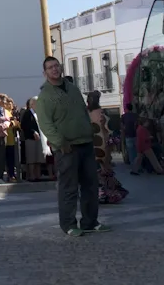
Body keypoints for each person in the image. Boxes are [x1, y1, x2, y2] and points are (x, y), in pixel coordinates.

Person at [36, 56, 110, 237]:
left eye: (56, 65)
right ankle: (68, 224)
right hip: (66, 147)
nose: (54, 69)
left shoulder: (73, 88)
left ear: (60, 68)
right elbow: (46, 124)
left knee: (91, 185)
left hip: (85, 142)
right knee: (68, 188)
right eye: (50, 67)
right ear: (45, 73)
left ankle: (90, 221)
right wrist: (60, 143)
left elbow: (83, 114)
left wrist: (91, 131)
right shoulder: (45, 96)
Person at [87, 90, 128, 204]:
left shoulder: (86, 113)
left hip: (93, 143)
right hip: (101, 143)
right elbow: (106, 127)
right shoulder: (100, 113)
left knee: (97, 169)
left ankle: (100, 193)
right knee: (104, 168)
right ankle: (106, 193)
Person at [21, 97, 45, 181]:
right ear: (32, 104)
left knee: (39, 158)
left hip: (40, 138)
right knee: (31, 158)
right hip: (30, 138)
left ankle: (38, 175)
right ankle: (31, 176)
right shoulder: (27, 113)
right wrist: (33, 132)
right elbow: (24, 125)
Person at [3, 96, 20, 183]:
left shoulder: (14, 113)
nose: (9, 106)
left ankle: (12, 175)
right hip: (6, 138)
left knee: (12, 159)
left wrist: (14, 122)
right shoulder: (4, 112)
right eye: (7, 104)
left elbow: (18, 123)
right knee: (7, 159)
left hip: (12, 139)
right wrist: (12, 122)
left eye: (10, 104)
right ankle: (9, 175)